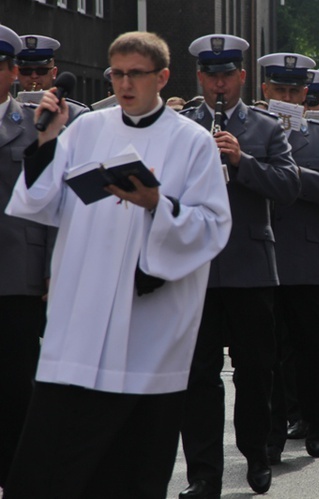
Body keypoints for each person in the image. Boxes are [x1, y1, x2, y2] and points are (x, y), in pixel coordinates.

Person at [3, 31, 232, 498]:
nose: (125, 84)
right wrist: (46, 137)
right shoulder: (86, 129)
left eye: (136, 74)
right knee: (47, 468)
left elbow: (212, 227)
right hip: (81, 325)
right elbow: (36, 203)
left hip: (147, 328)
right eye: (118, 74)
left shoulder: (193, 142)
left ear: (162, 77)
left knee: (131, 470)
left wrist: (156, 204)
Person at [177, 34, 301, 498]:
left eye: (228, 74)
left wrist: (241, 160)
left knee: (256, 370)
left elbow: (288, 187)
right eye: (211, 75)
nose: (219, 83)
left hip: (250, 266)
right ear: (200, 78)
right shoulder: (183, 125)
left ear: (242, 78)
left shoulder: (266, 129)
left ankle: (257, 454)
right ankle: (204, 473)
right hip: (198, 269)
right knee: (199, 376)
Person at [258, 52, 319, 463]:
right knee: (266, 354)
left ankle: (316, 421)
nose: (287, 96)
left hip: (307, 259)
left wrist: (294, 173)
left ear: (305, 95)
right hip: (260, 258)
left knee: (313, 348)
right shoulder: (249, 133)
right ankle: (271, 434)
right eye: (280, 89)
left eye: (295, 90)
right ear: (265, 90)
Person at [0, 24, 51, 489]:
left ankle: (18, 477)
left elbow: (55, 203)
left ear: (13, 73)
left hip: (20, 272)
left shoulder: (34, 124)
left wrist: (54, 269)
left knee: (18, 383)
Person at [16, 34, 88, 124]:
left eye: (41, 70)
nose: (34, 76)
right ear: (16, 73)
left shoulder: (75, 113)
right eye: (26, 71)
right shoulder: (6, 110)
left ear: (53, 73)